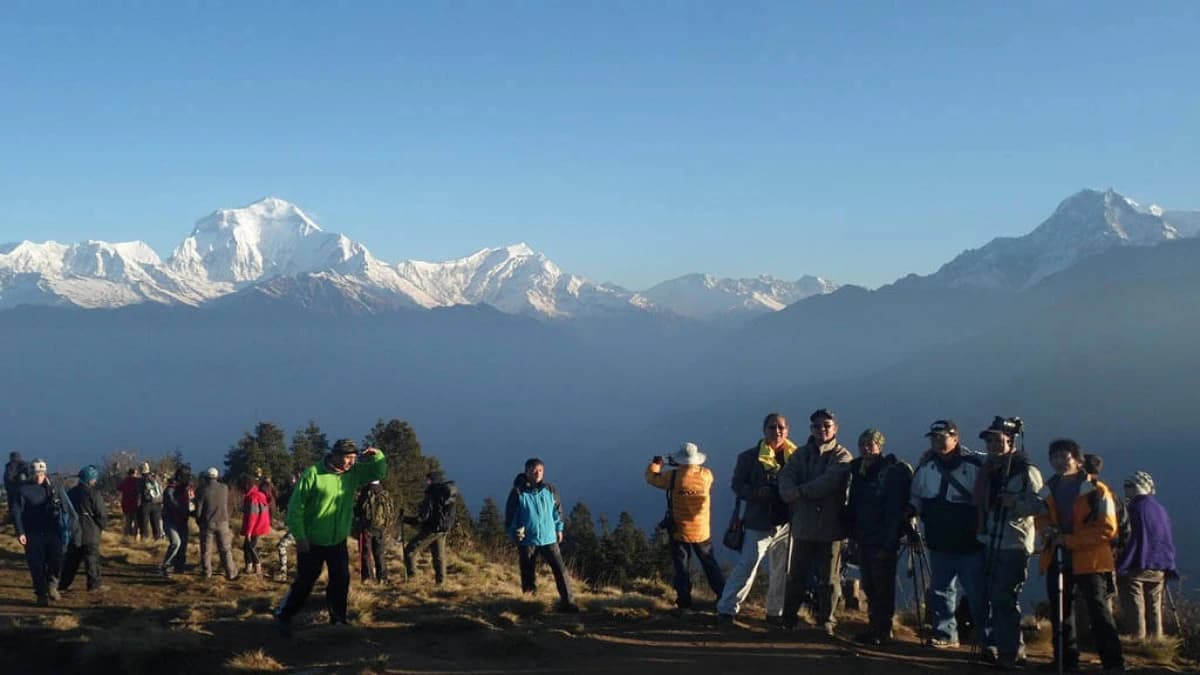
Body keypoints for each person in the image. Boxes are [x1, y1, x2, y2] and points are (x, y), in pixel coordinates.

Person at [274, 440, 387, 636]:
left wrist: (378, 455)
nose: (350, 462)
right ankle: (284, 615)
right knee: (305, 581)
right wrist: (300, 537)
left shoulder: (354, 473)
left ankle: (338, 620)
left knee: (341, 580)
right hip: (311, 540)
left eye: (353, 458)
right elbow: (295, 509)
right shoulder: (314, 474)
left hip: (338, 539)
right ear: (334, 455)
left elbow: (377, 472)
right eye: (346, 457)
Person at [1037, 438, 1125, 674]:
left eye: (1063, 456)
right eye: (1054, 457)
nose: (1058, 461)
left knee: (1098, 613)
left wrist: (1069, 540)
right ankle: (1066, 660)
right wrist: (1045, 530)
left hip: (1091, 561)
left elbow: (1108, 528)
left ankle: (1113, 662)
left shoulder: (1097, 490)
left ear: (1077, 459)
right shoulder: (1049, 488)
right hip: (1057, 556)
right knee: (1060, 613)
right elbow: (1042, 517)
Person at [908, 419, 986, 649]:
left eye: (942, 437)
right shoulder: (926, 467)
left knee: (977, 592)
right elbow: (917, 495)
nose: (938, 441)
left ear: (955, 438)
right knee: (941, 591)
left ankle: (986, 636)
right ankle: (945, 634)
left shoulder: (974, 465)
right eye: (934, 437)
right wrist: (912, 512)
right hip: (938, 539)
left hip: (969, 541)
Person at [973, 418, 1043, 670]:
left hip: (1014, 542)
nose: (992, 444)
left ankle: (1011, 651)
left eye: (997, 440)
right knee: (992, 596)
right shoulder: (989, 469)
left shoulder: (1026, 471)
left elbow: (1040, 505)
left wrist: (1015, 504)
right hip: (990, 539)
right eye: (989, 440)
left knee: (1005, 597)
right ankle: (1000, 646)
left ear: (1010, 441)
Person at [716, 413, 796, 626]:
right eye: (772, 427)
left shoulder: (797, 457)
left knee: (782, 569)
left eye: (781, 427)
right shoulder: (749, 457)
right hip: (759, 520)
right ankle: (727, 609)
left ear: (787, 430)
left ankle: (774, 613)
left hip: (787, 523)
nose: (777, 431)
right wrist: (755, 493)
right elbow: (737, 485)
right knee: (748, 564)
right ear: (764, 430)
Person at [778, 408, 853, 635]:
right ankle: (789, 617)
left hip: (831, 528)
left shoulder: (842, 456)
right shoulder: (801, 454)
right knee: (796, 575)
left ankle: (826, 620)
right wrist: (791, 491)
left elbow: (829, 483)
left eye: (826, 425)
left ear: (835, 428)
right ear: (811, 429)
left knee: (829, 579)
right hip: (803, 525)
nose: (822, 429)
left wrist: (797, 493)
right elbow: (786, 476)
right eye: (817, 426)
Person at [846, 428, 913, 645]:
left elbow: (893, 510)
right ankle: (875, 627)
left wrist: (890, 541)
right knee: (870, 586)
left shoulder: (890, 473)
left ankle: (882, 631)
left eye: (871, 444)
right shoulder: (859, 471)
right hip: (865, 537)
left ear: (880, 446)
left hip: (883, 539)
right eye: (862, 444)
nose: (866, 448)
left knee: (882, 587)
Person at [647, 443, 726, 614]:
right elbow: (694, 477)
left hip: (679, 530)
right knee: (710, 565)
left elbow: (651, 478)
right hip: (702, 530)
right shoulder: (707, 475)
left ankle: (684, 603)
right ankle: (724, 596)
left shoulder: (673, 477)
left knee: (682, 567)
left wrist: (657, 463)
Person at [505, 458, 578, 612]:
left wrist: (559, 529)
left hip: (549, 538)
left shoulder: (550, 489)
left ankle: (568, 603)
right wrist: (513, 534)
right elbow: (511, 516)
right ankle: (531, 605)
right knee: (528, 574)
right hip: (527, 540)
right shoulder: (518, 492)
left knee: (560, 571)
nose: (537, 473)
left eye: (539, 470)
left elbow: (557, 511)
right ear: (526, 472)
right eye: (533, 470)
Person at [1116, 471, 1176, 641]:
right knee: (1154, 606)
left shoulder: (1132, 509)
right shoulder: (1160, 509)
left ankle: (1138, 640)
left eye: (1127, 487)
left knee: (1134, 605)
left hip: (1135, 563)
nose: (1125, 491)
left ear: (1133, 487)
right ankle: (1156, 640)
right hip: (1160, 565)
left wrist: (1120, 562)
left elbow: (1126, 537)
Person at [11, 458, 70, 606]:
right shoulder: (23, 490)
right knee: (36, 565)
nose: (39, 476)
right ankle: (41, 594)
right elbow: (16, 512)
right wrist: (20, 532)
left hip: (53, 531)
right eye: (36, 473)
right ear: (31, 473)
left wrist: (68, 528)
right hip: (32, 533)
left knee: (56, 561)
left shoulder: (54, 488)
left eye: (42, 473)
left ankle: (52, 585)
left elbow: (66, 508)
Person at [59, 465, 109, 593]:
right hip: (90, 530)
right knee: (92, 559)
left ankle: (64, 584)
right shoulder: (93, 493)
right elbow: (101, 514)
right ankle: (94, 585)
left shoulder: (71, 493)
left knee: (71, 559)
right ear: (90, 479)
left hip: (73, 530)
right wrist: (101, 526)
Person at [403, 470, 458, 584]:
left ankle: (412, 580)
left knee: (410, 551)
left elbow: (422, 518)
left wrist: (405, 519)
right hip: (443, 529)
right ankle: (441, 583)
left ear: (432, 481)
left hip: (432, 529)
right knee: (439, 556)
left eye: (428, 480)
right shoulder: (446, 494)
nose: (426, 482)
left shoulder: (431, 494)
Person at [194, 467, 238, 580]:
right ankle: (230, 572)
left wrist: (198, 521)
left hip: (207, 523)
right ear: (217, 476)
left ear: (207, 477)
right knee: (225, 549)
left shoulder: (202, 490)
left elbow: (198, 510)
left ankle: (207, 572)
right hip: (223, 522)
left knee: (206, 550)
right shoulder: (224, 488)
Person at [352, 479, 396, 582]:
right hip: (381, 527)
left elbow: (358, 511)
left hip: (366, 528)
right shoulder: (384, 493)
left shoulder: (365, 492)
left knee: (365, 553)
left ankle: (368, 578)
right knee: (379, 553)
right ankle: (383, 578)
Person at [161, 464, 194, 577]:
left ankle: (179, 568)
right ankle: (166, 566)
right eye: (187, 476)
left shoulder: (185, 489)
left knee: (183, 545)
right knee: (176, 543)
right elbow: (173, 504)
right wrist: (187, 510)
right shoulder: (171, 489)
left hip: (182, 520)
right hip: (171, 520)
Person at [241, 474, 271, 575]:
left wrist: (249, 531)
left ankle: (257, 567)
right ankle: (249, 566)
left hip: (255, 526)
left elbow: (252, 516)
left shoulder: (252, 497)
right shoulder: (258, 494)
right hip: (261, 524)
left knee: (250, 546)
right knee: (247, 546)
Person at [138, 462, 165, 541]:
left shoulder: (141, 480)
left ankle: (145, 539)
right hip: (157, 503)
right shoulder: (156, 478)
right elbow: (161, 488)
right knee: (156, 523)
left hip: (146, 504)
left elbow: (139, 492)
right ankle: (157, 539)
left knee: (144, 522)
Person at [116, 467, 142, 539]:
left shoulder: (125, 481)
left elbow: (118, 488)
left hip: (126, 504)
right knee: (136, 521)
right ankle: (135, 536)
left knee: (128, 521)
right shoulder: (138, 481)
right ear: (135, 473)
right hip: (135, 504)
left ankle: (127, 536)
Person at [4, 451, 27, 528]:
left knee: (14, 507)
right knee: (21, 506)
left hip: (12, 490)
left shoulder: (9, 466)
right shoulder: (23, 465)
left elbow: (7, 479)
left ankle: (14, 521)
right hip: (20, 490)